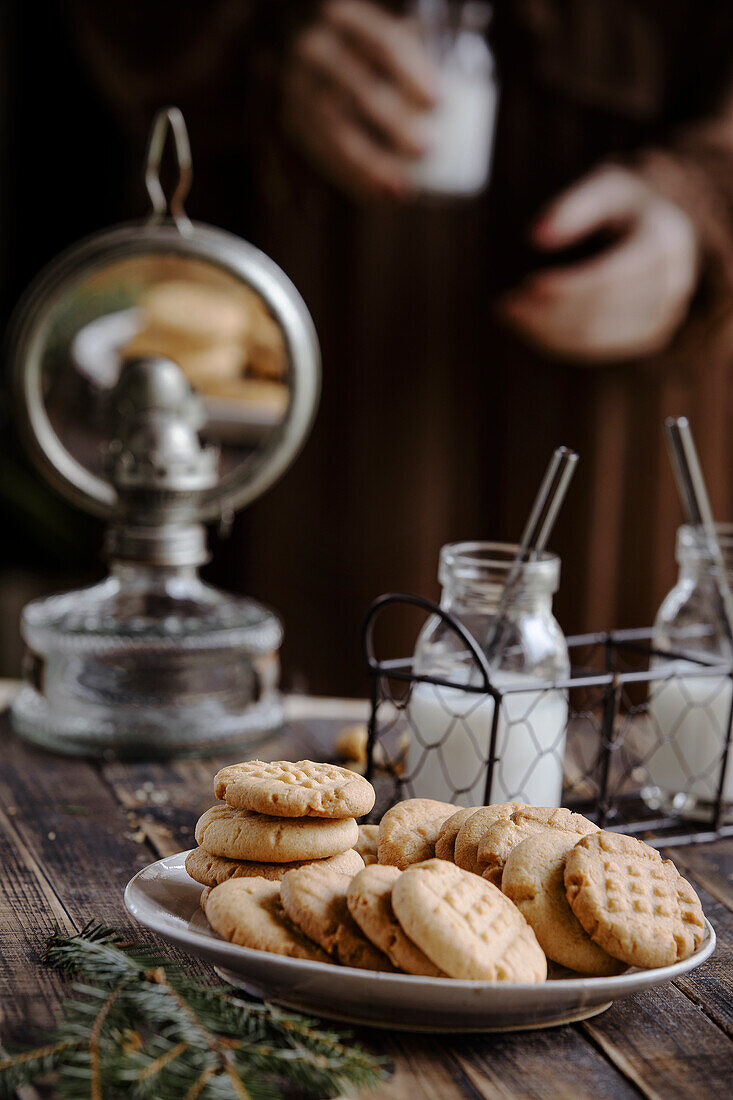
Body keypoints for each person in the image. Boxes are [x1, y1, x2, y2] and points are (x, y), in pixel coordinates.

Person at [62, 1, 733, 692]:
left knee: (603, 704)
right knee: (315, 666)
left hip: (630, 353)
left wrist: (710, 200)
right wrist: (260, 37)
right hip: (324, 267)